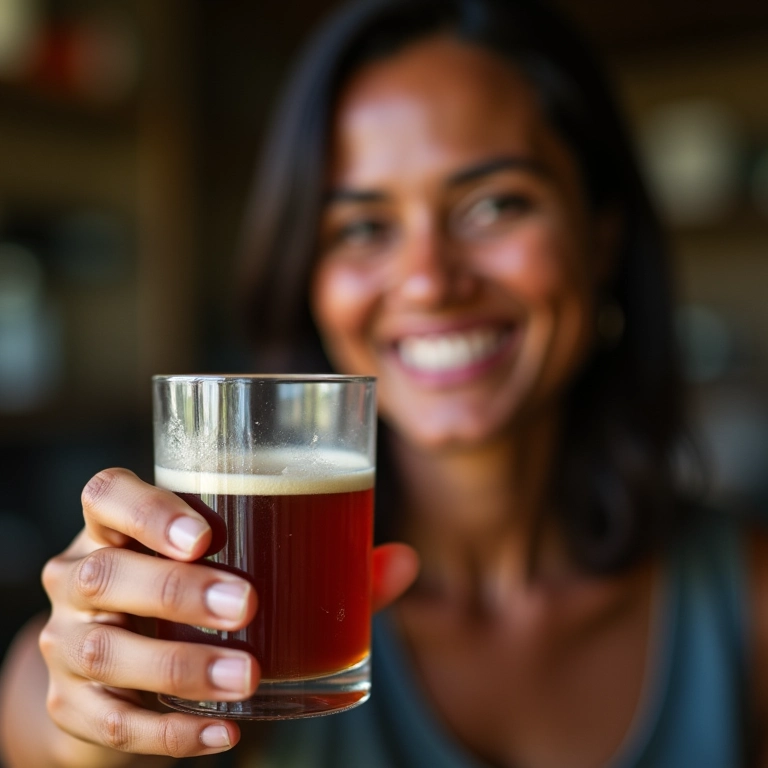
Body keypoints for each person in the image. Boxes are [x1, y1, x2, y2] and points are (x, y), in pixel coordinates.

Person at [1, 0, 767, 765]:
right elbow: (40, 716)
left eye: (495, 205)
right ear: (308, 275)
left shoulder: (745, 603)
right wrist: (91, 718)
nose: (430, 282)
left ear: (600, 236)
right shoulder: (243, 623)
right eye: (364, 227)